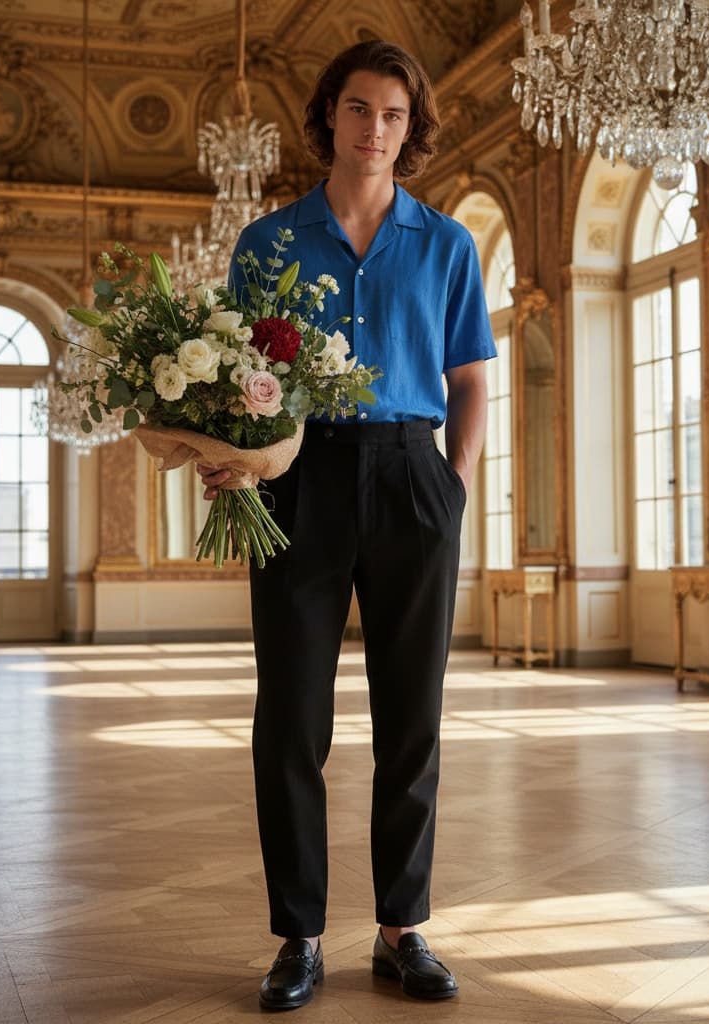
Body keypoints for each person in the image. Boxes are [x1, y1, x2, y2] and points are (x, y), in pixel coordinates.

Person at [198, 39, 495, 1011]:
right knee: (290, 717)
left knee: (412, 717)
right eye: (360, 108)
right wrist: (230, 459)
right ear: (330, 113)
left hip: (413, 475)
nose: (375, 128)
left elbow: (469, 380)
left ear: (412, 130)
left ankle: (402, 929)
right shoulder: (266, 244)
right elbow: (236, 381)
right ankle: (299, 937)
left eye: (394, 114)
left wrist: (452, 486)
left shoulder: (447, 245)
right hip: (300, 477)